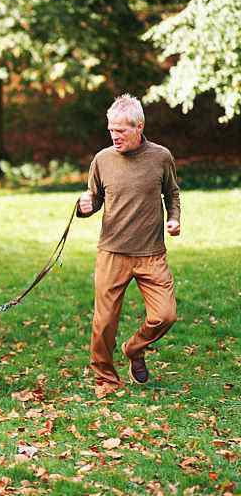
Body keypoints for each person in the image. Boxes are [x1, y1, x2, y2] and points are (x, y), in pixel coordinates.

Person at [77, 94, 181, 399]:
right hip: (112, 252)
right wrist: (84, 206)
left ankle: (135, 347)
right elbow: (93, 200)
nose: (114, 136)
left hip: (151, 254)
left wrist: (174, 219)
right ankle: (106, 379)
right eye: (111, 129)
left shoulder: (161, 157)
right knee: (104, 321)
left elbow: (172, 194)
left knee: (166, 315)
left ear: (139, 127)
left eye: (121, 130)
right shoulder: (102, 160)